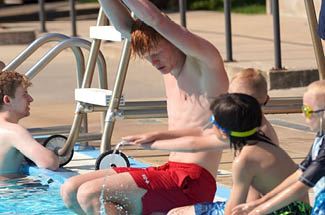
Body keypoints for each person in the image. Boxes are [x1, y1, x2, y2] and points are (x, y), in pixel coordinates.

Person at [60, 0, 229, 214]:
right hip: (169, 171)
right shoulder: (170, 71)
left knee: (90, 194)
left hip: (191, 181)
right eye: (148, 57)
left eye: (156, 53)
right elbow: (124, 26)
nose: (154, 62)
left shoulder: (205, 64)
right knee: (70, 190)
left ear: (173, 39)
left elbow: (156, 19)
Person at [232, 80, 325, 215]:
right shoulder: (320, 137)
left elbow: (303, 185)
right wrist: (258, 203)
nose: (303, 116)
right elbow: (301, 173)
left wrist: (260, 210)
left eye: (307, 111)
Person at [0, 71, 59, 180]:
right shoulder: (14, 132)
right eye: (24, 94)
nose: (31, 99)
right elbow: (49, 163)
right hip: (7, 193)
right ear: (7, 100)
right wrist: (54, 154)